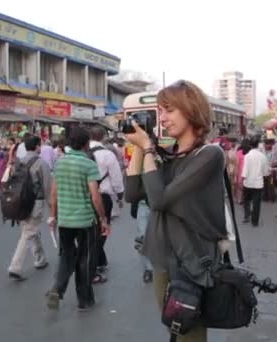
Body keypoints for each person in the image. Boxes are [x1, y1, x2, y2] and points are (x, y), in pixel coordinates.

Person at [124, 80, 227, 341]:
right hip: (163, 259)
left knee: (189, 335)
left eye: (169, 110)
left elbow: (159, 200)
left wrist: (148, 148)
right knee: (175, 330)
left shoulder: (209, 155)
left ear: (190, 109)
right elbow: (133, 194)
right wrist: (139, 147)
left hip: (193, 264)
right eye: (160, 112)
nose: (163, 118)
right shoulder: (169, 155)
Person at [45, 127, 110, 312]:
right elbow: (96, 197)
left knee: (67, 256)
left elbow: (54, 193)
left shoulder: (60, 163)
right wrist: (103, 219)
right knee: (86, 259)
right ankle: (84, 299)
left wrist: (53, 216)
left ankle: (57, 288)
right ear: (85, 144)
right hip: (86, 221)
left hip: (65, 221)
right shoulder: (88, 164)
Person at [7, 135, 52, 281]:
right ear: (38, 146)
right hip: (35, 202)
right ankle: (15, 266)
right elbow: (47, 189)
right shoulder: (41, 164)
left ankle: (40, 258)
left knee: (30, 230)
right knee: (28, 233)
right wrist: (53, 209)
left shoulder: (19, 162)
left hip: (19, 202)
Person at [88, 126, 125, 284]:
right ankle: (92, 264)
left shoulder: (81, 152)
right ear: (103, 137)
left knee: (90, 230)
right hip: (103, 197)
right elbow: (117, 179)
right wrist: (120, 195)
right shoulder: (107, 155)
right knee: (102, 230)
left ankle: (100, 260)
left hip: (84, 197)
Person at [242, 137, 269, 227]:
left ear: (250, 145)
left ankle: (247, 215)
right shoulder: (263, 156)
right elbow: (265, 172)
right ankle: (255, 221)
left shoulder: (247, 156)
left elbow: (245, 170)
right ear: (258, 145)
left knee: (246, 200)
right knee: (256, 203)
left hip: (248, 182)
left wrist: (242, 179)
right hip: (258, 183)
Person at [235, 139, 250, 204]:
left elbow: (237, 163)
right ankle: (243, 199)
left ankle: (241, 199)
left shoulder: (239, 152)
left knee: (241, 186)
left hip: (242, 171)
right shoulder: (249, 152)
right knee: (243, 186)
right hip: (246, 171)